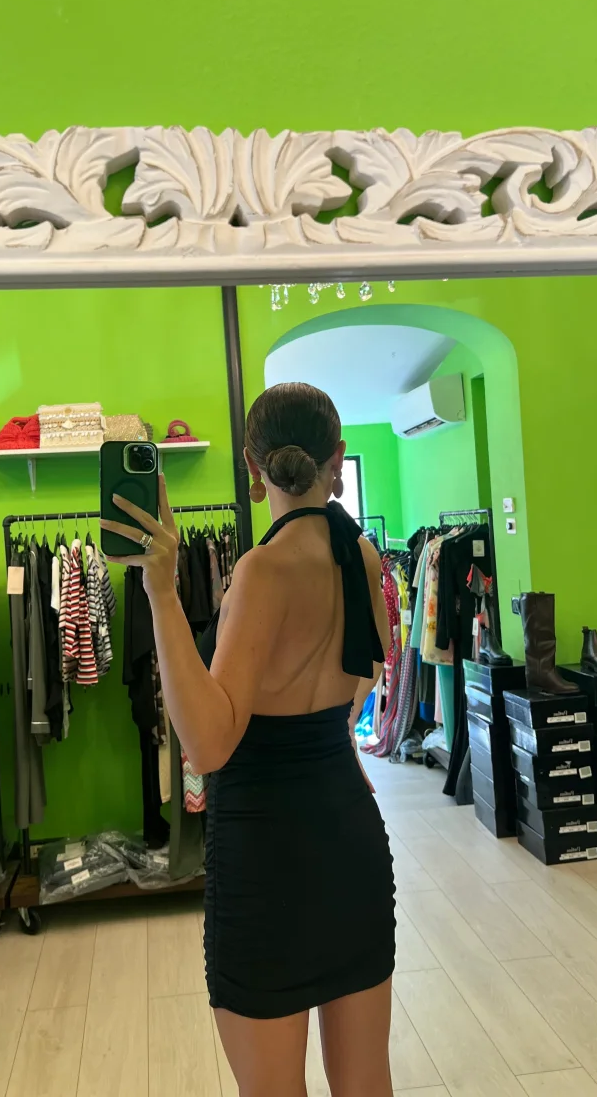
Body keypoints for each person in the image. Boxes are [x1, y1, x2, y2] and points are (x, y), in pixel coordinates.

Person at [102, 382, 396, 1097]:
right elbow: (366, 677)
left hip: (269, 860)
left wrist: (162, 591)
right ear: (337, 457)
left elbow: (208, 746)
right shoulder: (362, 556)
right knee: (367, 1084)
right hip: (351, 840)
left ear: (251, 466)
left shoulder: (262, 570)